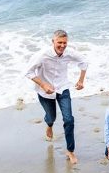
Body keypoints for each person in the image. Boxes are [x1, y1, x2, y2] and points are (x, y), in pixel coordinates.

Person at [25, 29, 88, 164]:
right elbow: (28, 72)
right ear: (53, 41)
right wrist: (43, 85)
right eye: (59, 42)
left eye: (65, 43)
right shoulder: (42, 55)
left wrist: (81, 80)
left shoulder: (69, 52)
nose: (62, 46)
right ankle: (49, 124)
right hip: (45, 92)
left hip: (63, 88)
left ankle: (70, 151)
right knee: (51, 117)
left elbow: (84, 61)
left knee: (69, 120)